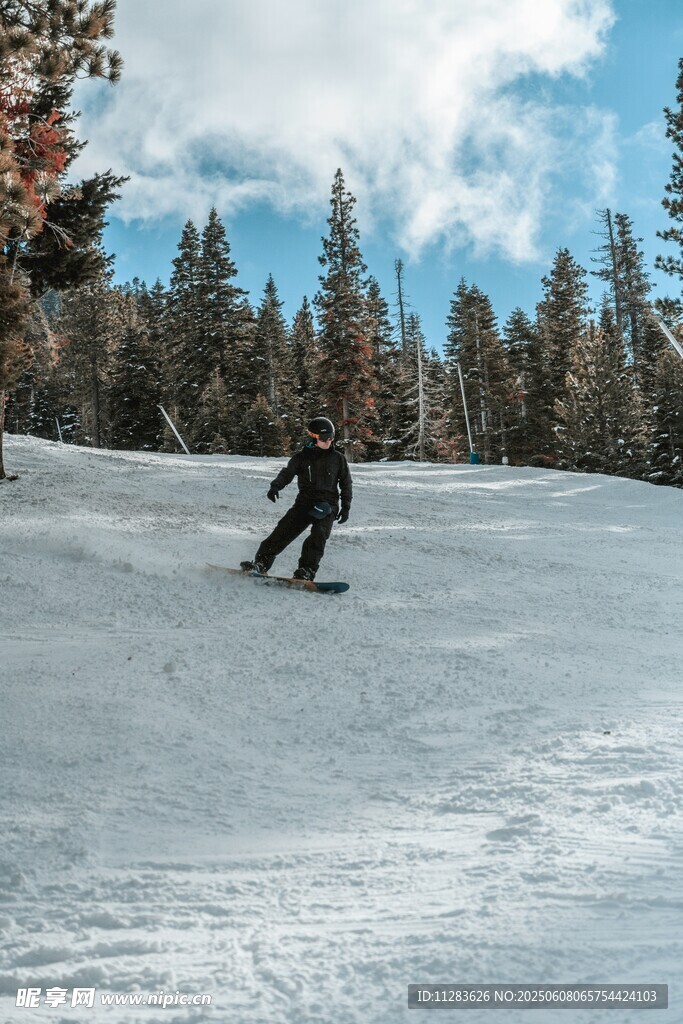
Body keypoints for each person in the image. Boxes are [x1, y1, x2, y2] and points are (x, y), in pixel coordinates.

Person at [240, 416, 352, 581]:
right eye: (323, 438)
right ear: (313, 438)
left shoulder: (338, 459)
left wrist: (346, 506)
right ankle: (261, 564)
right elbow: (287, 473)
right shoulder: (301, 458)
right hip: (305, 503)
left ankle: (306, 571)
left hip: (328, 505)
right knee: (282, 531)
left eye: (331, 437)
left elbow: (346, 483)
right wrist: (275, 486)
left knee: (318, 536)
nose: (328, 441)